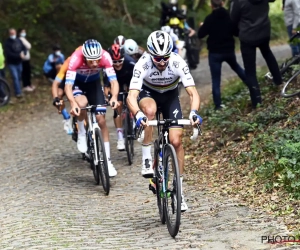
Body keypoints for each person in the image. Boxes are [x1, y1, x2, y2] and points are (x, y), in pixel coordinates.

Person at [127, 30, 203, 212]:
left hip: (170, 96)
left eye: (165, 58)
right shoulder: (142, 63)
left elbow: (193, 93)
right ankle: (146, 156)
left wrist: (193, 113)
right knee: (150, 112)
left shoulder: (178, 62)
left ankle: (180, 190)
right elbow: (131, 96)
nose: (162, 62)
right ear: (150, 54)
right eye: (157, 58)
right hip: (148, 94)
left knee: (176, 140)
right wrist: (138, 115)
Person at [65, 39, 119, 177]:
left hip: (94, 84)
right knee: (81, 104)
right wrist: (73, 103)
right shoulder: (76, 57)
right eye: (91, 61)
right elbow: (68, 86)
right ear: (84, 57)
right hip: (78, 84)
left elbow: (113, 81)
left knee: (101, 120)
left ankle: (107, 161)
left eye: (97, 60)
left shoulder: (105, 56)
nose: (95, 64)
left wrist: (113, 97)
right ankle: (82, 132)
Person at [230, 0, 282, 109]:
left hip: (247, 37)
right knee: (268, 54)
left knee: (250, 71)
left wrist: (238, 33)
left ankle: (257, 101)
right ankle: (279, 81)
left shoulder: (238, 2)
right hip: (264, 32)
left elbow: (233, 21)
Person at [198, 0, 246, 110]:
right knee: (238, 68)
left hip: (215, 53)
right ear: (223, 3)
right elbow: (236, 33)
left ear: (211, 5)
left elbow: (201, 34)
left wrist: (202, 26)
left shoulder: (209, 19)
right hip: (228, 51)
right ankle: (252, 86)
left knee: (216, 79)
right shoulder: (229, 17)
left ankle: (218, 105)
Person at [103, 44, 136, 151]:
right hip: (115, 83)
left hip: (130, 80)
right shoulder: (107, 65)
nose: (117, 64)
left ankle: (136, 121)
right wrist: (109, 96)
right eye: (115, 62)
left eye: (120, 61)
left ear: (124, 57)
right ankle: (120, 137)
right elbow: (107, 86)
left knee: (134, 98)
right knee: (118, 106)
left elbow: (139, 79)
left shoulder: (130, 62)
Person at [52, 56, 73, 134]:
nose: (58, 68)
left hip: (74, 81)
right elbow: (56, 84)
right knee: (59, 94)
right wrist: (56, 98)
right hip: (64, 81)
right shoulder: (62, 70)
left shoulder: (70, 64)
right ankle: (66, 117)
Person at [4, 28, 27, 98]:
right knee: (15, 77)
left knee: (19, 77)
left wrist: (24, 53)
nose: (13, 34)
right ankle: (18, 93)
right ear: (9, 34)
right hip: (11, 63)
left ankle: (18, 89)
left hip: (19, 62)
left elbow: (24, 48)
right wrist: (18, 56)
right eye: (11, 33)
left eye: (14, 33)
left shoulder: (19, 40)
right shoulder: (7, 42)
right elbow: (8, 54)